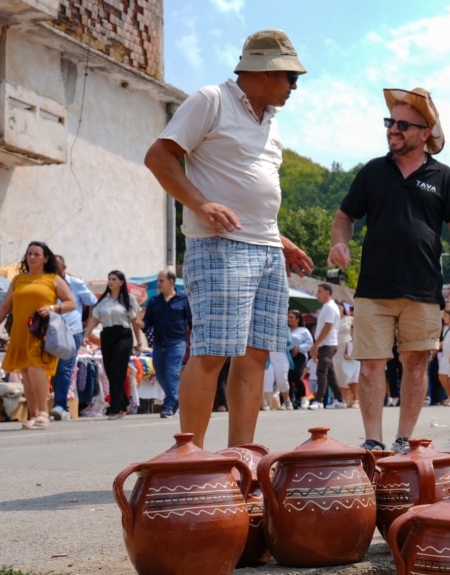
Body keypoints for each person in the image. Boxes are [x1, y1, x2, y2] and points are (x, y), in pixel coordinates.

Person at [144, 29, 314, 448]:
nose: (295, 86)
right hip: (219, 244)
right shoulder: (211, 100)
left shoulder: (271, 124)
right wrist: (200, 204)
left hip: (267, 249)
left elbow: (251, 193)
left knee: (256, 354)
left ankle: (241, 456)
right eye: (291, 77)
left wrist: (282, 240)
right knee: (212, 352)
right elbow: (158, 156)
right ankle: (190, 456)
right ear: (265, 71)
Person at [329, 86, 450, 453]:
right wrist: (339, 242)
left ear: (424, 133)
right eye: (389, 122)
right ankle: (373, 441)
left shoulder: (443, 176)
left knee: (416, 364)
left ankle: (404, 440)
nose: (392, 129)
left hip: (423, 288)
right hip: (373, 287)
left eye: (402, 124)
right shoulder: (373, 171)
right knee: (371, 367)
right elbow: (345, 216)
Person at [0, 241, 76, 430]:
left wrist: (53, 308)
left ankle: (43, 413)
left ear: (45, 258)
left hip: (41, 331)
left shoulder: (53, 279)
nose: (32, 257)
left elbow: (71, 303)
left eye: (36, 254)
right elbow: (6, 307)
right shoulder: (18, 280)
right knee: (26, 373)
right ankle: (33, 414)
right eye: (29, 253)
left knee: (35, 369)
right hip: (19, 331)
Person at [82, 270, 146, 419]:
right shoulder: (104, 301)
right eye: (109, 279)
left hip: (123, 335)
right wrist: (86, 335)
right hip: (107, 335)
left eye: (114, 279)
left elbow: (134, 322)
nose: (110, 282)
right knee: (110, 371)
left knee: (118, 369)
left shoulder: (129, 299)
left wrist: (139, 342)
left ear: (121, 282)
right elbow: (94, 319)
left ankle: (115, 407)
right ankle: (123, 404)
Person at [49, 254, 97, 421]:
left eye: (57, 265)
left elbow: (91, 301)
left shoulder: (75, 283)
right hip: (51, 331)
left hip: (72, 331)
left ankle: (60, 405)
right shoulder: (47, 283)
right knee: (52, 369)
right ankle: (59, 403)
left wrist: (86, 327)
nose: (54, 268)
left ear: (64, 267)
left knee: (64, 368)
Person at [139, 269, 191, 418]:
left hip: (177, 342)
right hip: (159, 343)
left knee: (172, 372)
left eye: (161, 281)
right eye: (158, 280)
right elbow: (148, 321)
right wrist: (142, 324)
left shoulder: (183, 300)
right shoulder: (154, 301)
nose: (158, 283)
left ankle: (168, 405)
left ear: (171, 282)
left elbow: (191, 321)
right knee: (161, 374)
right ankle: (175, 399)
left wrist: (194, 341)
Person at [310, 283, 342, 409]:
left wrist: (316, 344)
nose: (317, 294)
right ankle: (340, 399)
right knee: (329, 373)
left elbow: (328, 326)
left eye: (319, 291)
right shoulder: (327, 307)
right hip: (327, 344)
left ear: (327, 293)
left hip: (328, 344)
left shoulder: (329, 307)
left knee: (321, 371)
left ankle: (319, 401)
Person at [287, 309, 313, 408]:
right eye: (288, 317)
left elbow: (310, 343)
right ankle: (290, 400)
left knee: (297, 376)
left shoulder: (304, 331)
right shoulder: (286, 330)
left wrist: (299, 348)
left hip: (300, 356)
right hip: (288, 355)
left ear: (297, 319)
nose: (289, 320)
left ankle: (303, 398)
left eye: (291, 317)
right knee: (288, 377)